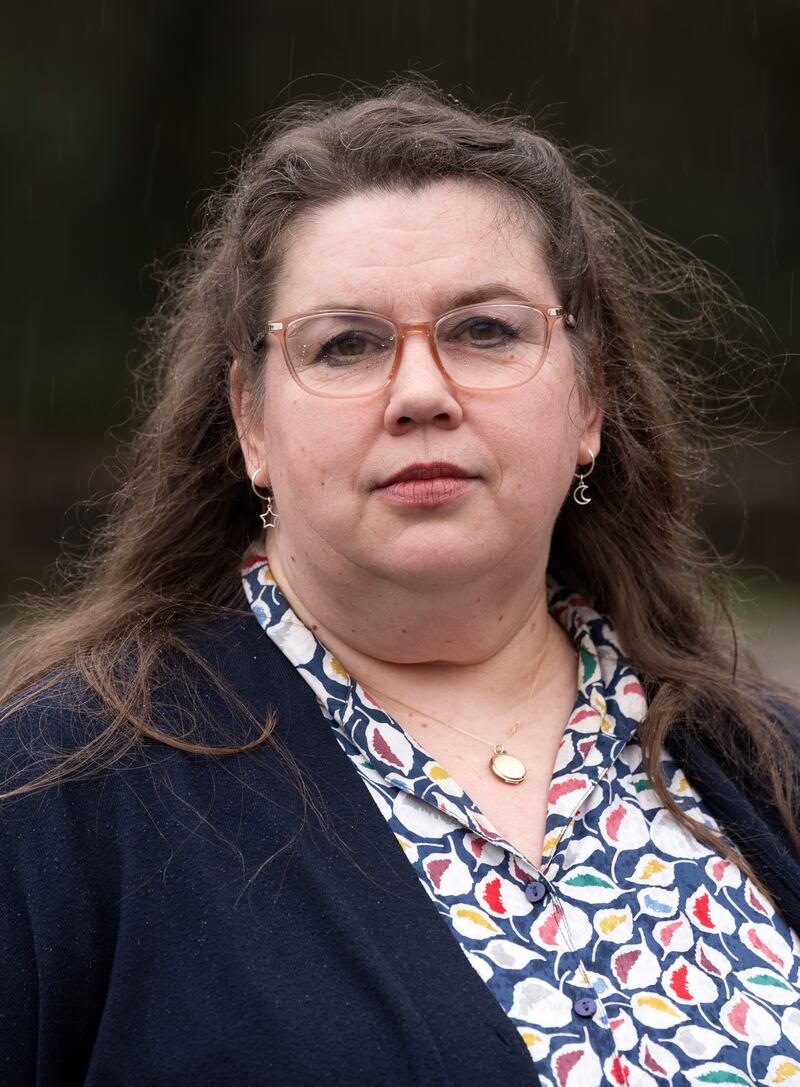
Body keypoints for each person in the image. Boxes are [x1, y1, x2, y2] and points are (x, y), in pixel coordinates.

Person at [1, 80, 798, 1087]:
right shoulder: (57, 791)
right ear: (252, 423)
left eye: (483, 332)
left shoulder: (761, 767)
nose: (420, 393)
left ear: (589, 398)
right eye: (345, 345)